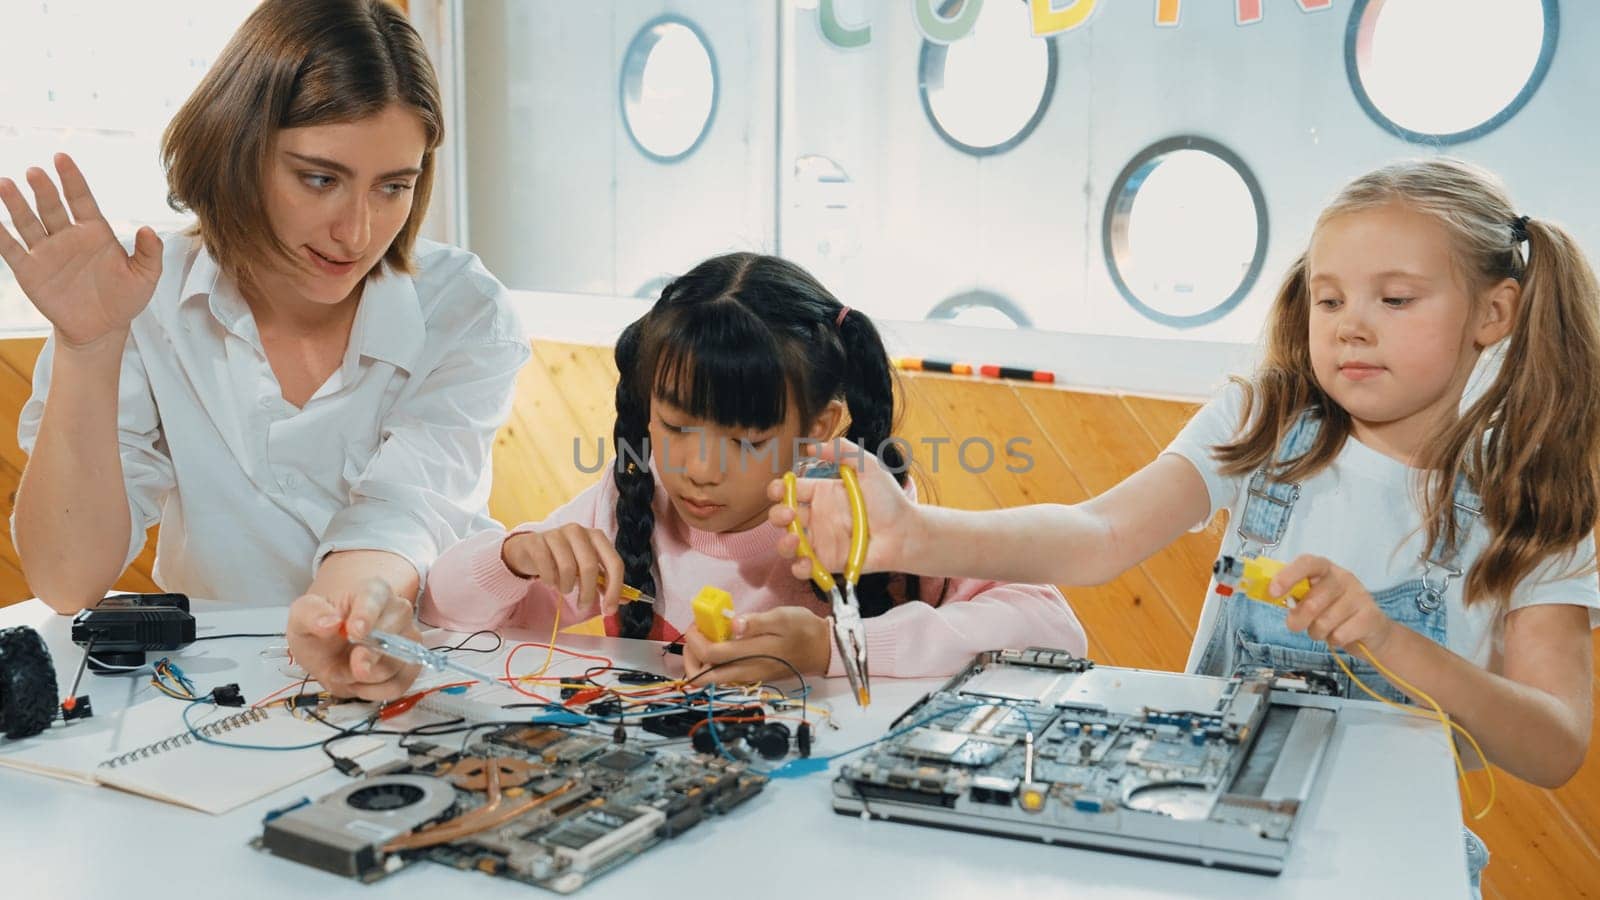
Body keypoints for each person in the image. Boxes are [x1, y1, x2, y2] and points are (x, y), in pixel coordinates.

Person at [774, 159, 1600, 894]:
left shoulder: (1536, 496)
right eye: (1329, 297)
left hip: (1395, 861)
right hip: (1202, 838)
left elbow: (1554, 745)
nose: (1351, 324)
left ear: (1495, 312)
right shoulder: (1258, 420)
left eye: (1396, 298)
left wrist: (1390, 639)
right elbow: (1097, 535)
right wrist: (913, 533)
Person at [0, 0, 528, 701]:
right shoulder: (144, 297)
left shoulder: (463, 308)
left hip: (409, 667)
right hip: (211, 690)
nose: (356, 232)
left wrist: (344, 620)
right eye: (319, 178)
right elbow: (66, 579)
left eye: (394, 186)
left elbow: (403, 511)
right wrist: (87, 347)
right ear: (235, 148)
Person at [410, 251, 1085, 688]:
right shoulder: (629, 503)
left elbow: (1054, 629)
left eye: (744, 441)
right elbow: (438, 614)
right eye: (675, 428)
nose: (699, 470)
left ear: (819, 429)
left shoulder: (863, 514)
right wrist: (515, 556)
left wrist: (833, 648)